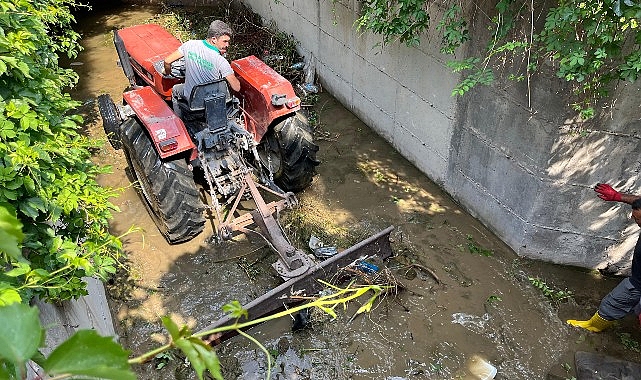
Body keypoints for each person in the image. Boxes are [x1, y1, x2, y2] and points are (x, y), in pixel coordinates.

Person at [566, 183, 641, 332]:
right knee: (612, 303)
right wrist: (617, 196)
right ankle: (592, 327)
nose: (635, 220)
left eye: (638, 219)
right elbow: (638, 200)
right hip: (636, 281)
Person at [163, 20, 241, 117]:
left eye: (228, 42)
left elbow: (167, 61)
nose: (227, 45)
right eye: (225, 41)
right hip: (212, 103)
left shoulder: (189, 45)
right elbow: (237, 88)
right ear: (214, 39)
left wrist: (167, 72)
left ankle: (180, 121)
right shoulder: (221, 61)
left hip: (194, 103)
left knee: (175, 89)